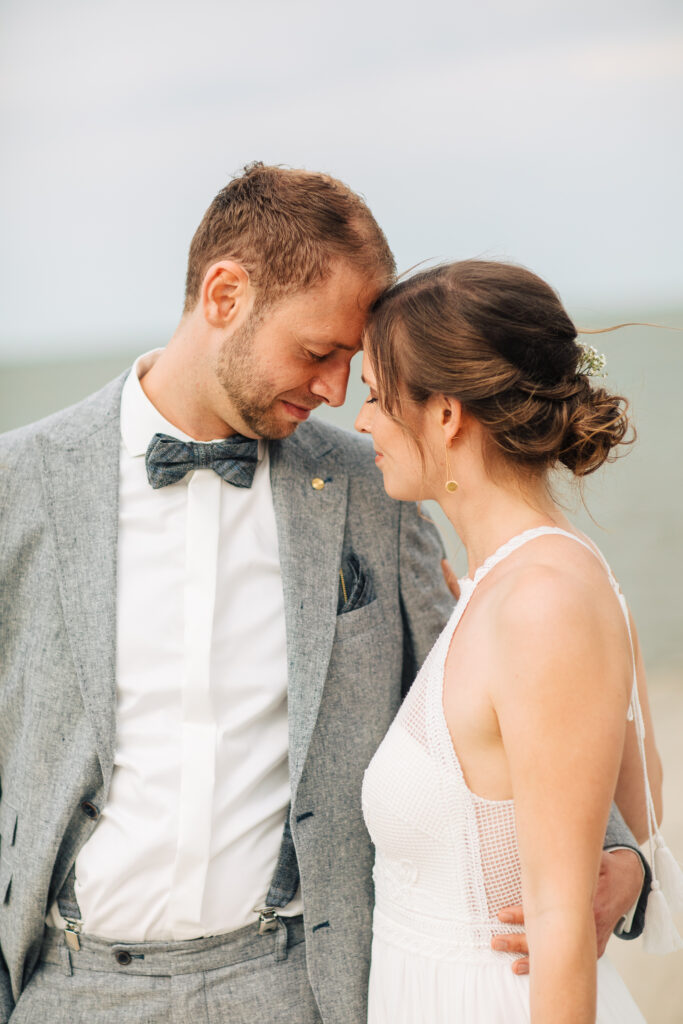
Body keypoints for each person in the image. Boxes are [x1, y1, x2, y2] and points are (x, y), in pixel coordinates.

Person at [0, 169, 647, 1024]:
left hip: (298, 984)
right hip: (68, 989)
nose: (337, 393)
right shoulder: (21, 484)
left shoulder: (370, 493)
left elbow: (506, 698)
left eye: (355, 363)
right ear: (224, 294)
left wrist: (617, 855)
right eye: (317, 353)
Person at [355, 259, 681, 1023]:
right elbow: (642, 824)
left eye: (374, 395)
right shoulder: (507, 590)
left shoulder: (542, 604)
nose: (361, 420)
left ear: (444, 415)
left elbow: (563, 926)